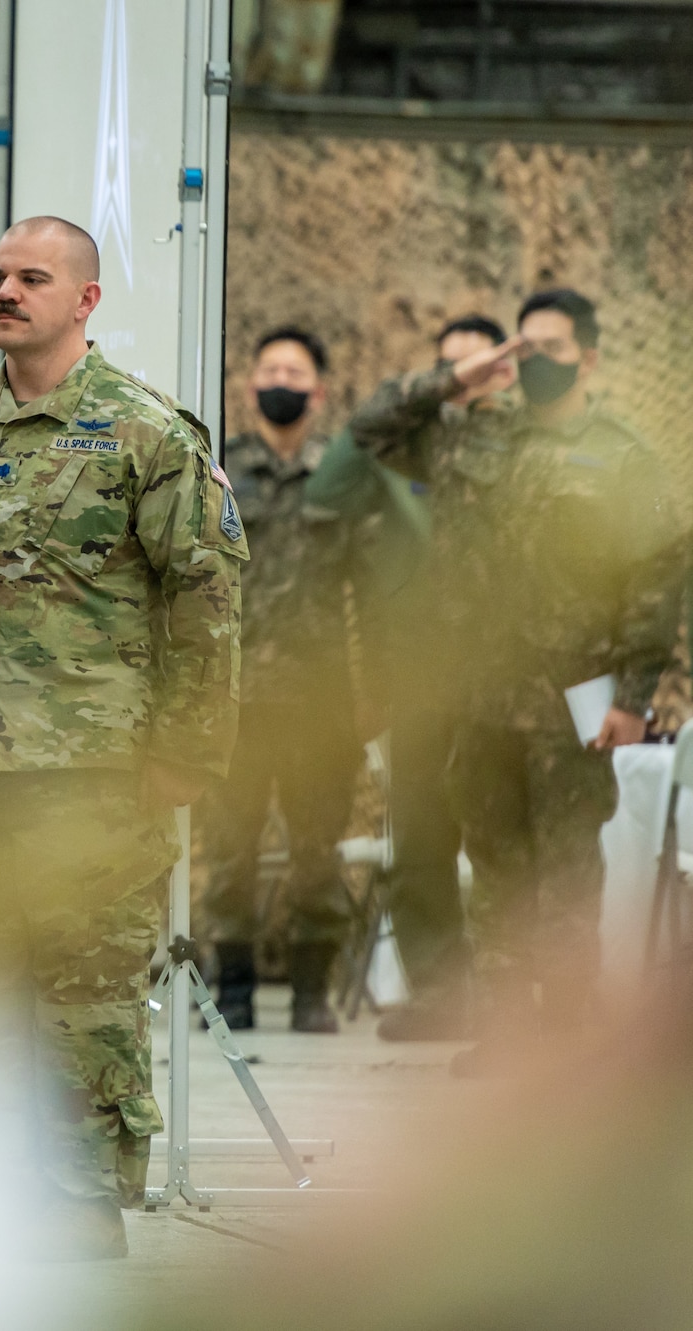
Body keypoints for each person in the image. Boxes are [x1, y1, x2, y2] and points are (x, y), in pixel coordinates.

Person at [0, 216, 247, 1257]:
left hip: (98, 775)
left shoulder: (143, 432)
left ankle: (82, 1203)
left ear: (85, 299)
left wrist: (186, 749)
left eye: (32, 278)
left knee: (86, 997)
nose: (6, 292)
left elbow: (208, 596)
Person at [350, 289, 682, 1076]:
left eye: (552, 351)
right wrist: (455, 379)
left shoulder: (625, 454)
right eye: (523, 350)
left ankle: (568, 1033)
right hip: (481, 695)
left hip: (575, 701)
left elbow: (658, 581)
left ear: (590, 359)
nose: (533, 366)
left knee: (567, 866)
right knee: (494, 863)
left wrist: (635, 699)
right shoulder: (472, 435)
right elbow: (370, 430)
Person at [312, 314, 513, 1039]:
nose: (461, 379)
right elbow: (345, 459)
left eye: (476, 364)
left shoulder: (523, 444)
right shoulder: (408, 451)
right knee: (423, 835)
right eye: (447, 367)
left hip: (509, 677)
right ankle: (440, 994)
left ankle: (516, 998)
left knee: (506, 839)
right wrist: (442, 386)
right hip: (424, 677)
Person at [199, 327, 358, 1033]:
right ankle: (230, 991)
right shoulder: (220, 468)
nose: (280, 380)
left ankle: (311, 992)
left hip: (320, 704)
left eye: (295, 370)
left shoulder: (341, 475)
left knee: (318, 851)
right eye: (269, 369)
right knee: (229, 848)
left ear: (318, 390)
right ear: (250, 384)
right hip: (236, 701)